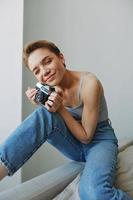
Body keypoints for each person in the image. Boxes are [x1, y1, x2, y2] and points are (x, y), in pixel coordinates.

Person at [0, 40, 131, 200]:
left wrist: (60, 108)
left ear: (61, 58)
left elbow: (86, 137)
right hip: (74, 145)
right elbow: (47, 123)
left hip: (99, 141)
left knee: (93, 193)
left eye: (47, 61)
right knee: (43, 114)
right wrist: (41, 102)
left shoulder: (89, 83)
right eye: (37, 70)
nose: (44, 72)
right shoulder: (49, 89)